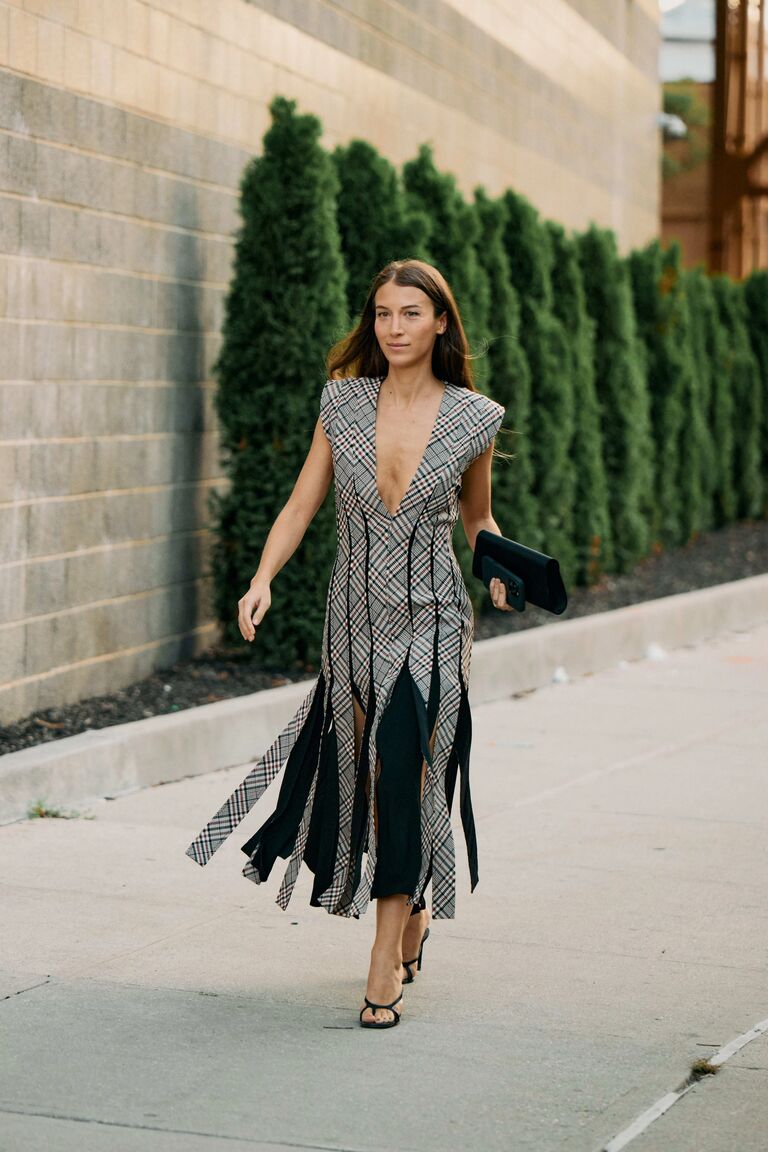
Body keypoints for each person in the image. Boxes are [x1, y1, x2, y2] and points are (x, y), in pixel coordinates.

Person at [184, 258, 513, 1029]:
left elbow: (477, 518)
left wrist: (497, 565)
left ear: (440, 322)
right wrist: (263, 576)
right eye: (382, 314)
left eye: (410, 314)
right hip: (354, 620)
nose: (394, 328)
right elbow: (303, 503)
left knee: (404, 770)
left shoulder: (475, 417)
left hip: (435, 618)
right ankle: (412, 908)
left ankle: (380, 963)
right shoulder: (342, 401)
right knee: (365, 782)